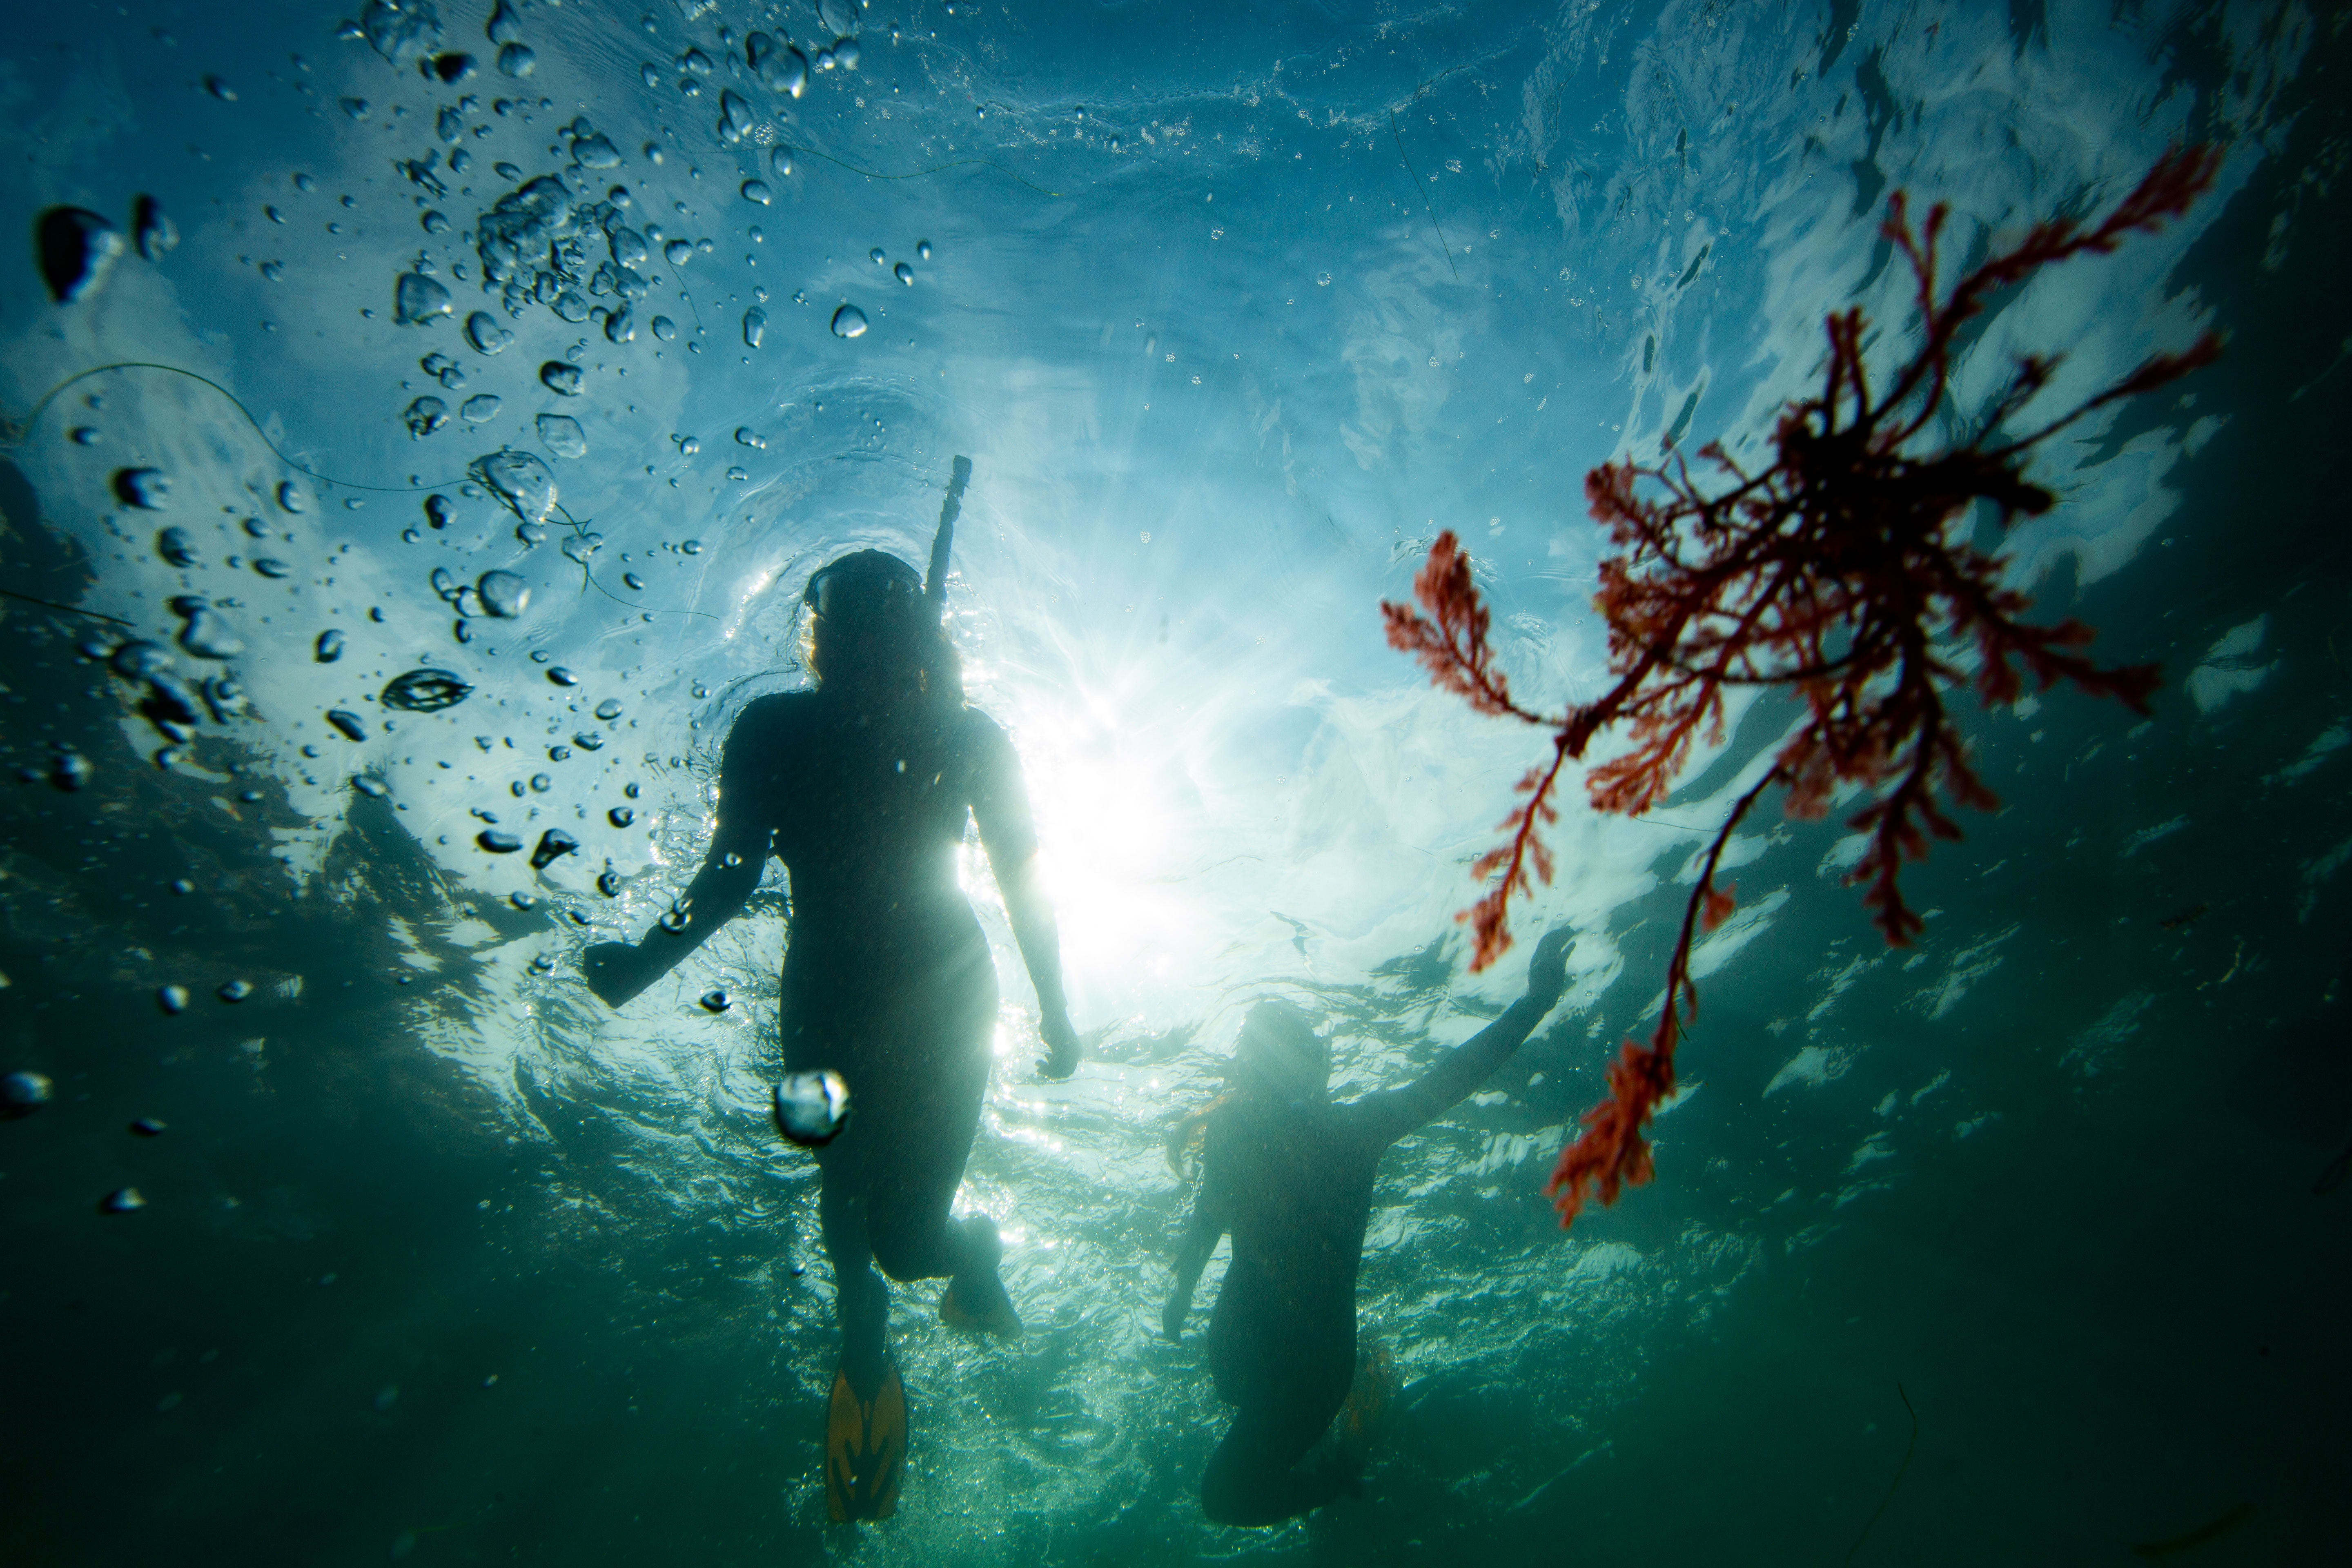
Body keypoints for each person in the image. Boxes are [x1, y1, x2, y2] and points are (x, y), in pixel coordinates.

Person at [583, 543, 1080, 1523]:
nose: (861, 638)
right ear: (823, 636)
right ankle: (866, 1339)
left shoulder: (969, 736)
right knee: (836, 1187)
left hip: (943, 1001)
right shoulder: (770, 729)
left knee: (899, 1241)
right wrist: (644, 961)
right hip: (818, 1002)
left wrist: (1059, 1010)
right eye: (846, 621)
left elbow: (1027, 878)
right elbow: (729, 876)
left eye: (880, 621)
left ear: (914, 633)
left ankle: (967, 1251)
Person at [1161, 927, 1572, 1526]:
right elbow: (1209, 1214)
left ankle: (1336, 1481)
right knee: (1228, 1461)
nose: (1259, 1081)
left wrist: (1535, 1002)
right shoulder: (1235, 1137)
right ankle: (1337, 1466)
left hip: (1310, 1369)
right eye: (1255, 1061)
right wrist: (1181, 1290)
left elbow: (1453, 1080)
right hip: (1255, 1359)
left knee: (1224, 1496)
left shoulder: (1348, 1134)